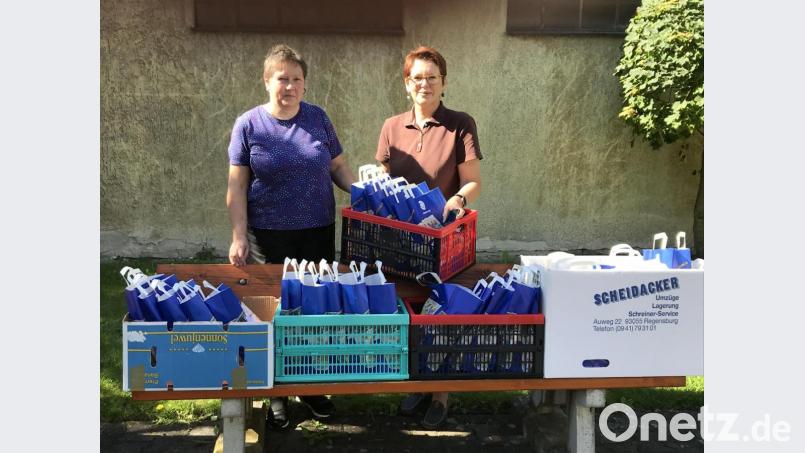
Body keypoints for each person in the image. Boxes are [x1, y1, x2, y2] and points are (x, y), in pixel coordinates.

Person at [226, 44, 355, 430]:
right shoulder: (248, 125)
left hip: (317, 231)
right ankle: (277, 393)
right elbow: (236, 184)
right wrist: (238, 235)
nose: (290, 86)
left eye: (297, 79)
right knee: (277, 312)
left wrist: (363, 191)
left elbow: (338, 166)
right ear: (267, 81)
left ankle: (312, 387)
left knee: (315, 309)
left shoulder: (318, 118)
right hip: (270, 235)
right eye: (282, 78)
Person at [375, 45, 483, 429]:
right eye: (417, 77)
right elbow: (384, 182)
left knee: (441, 312)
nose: (424, 84)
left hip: (445, 239)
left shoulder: (460, 124)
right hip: (401, 240)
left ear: (444, 83)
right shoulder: (391, 126)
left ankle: (441, 393)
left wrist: (455, 199)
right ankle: (418, 383)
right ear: (407, 84)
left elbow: (473, 183)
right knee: (410, 310)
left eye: (432, 77)